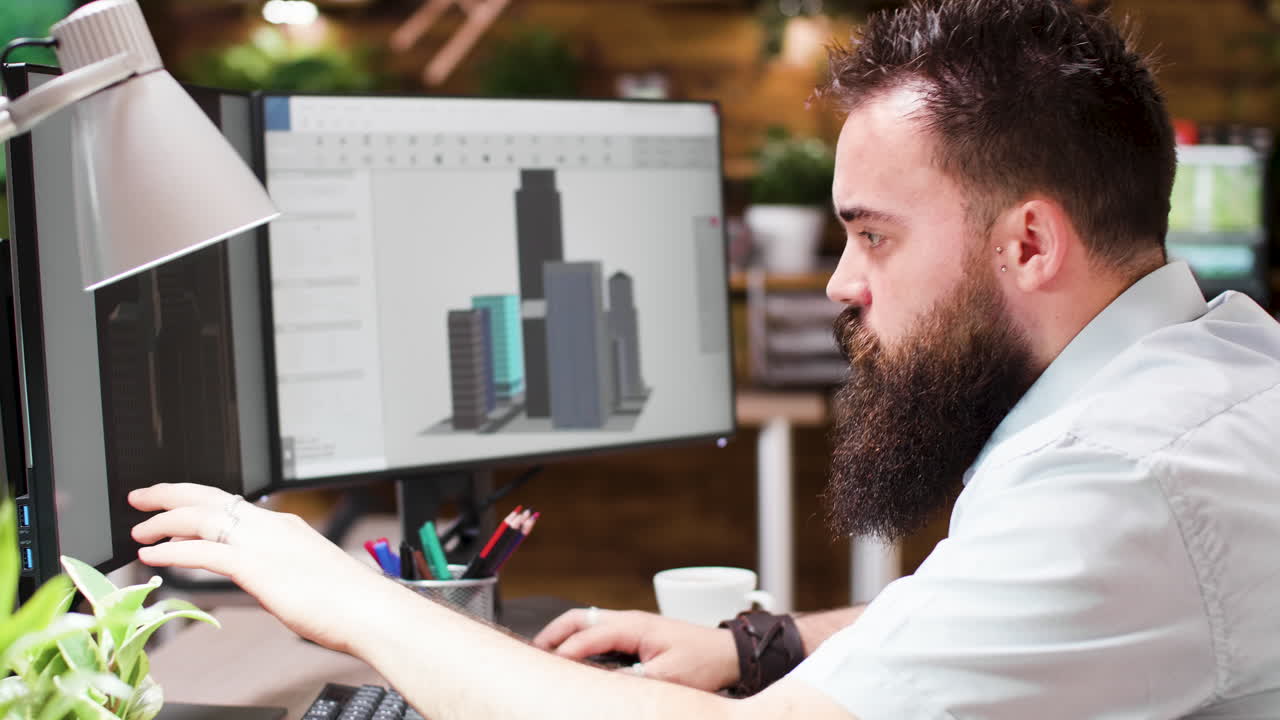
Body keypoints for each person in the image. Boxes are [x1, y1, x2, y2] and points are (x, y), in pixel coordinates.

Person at [129, 0, 1280, 717]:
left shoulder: (1128, 484)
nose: (838, 281)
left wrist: (349, 602)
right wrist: (759, 643)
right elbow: (982, 613)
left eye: (871, 233)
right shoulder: (1208, 361)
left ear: (1028, 241)